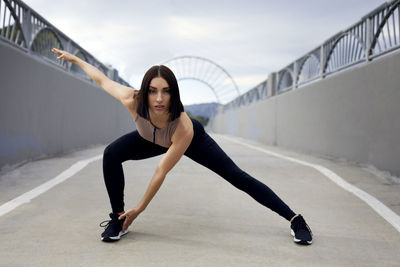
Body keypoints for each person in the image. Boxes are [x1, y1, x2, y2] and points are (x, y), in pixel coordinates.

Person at [51, 48, 313, 245]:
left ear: (174, 93)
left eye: (166, 91)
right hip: (149, 137)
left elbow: (161, 171)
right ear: (145, 91)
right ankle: (118, 219)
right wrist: (75, 60)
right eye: (153, 91)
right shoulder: (132, 99)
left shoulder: (184, 126)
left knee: (236, 176)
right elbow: (101, 80)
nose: (159, 98)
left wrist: (140, 208)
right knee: (111, 154)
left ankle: (295, 220)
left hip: (188, 141)